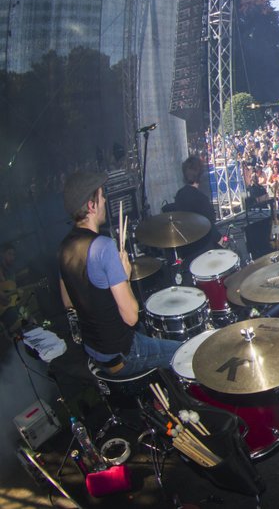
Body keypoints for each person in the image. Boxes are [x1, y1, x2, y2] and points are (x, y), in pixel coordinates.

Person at [59, 171, 181, 376]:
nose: (105, 200)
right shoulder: (103, 247)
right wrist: (126, 277)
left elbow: (67, 302)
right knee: (184, 351)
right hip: (123, 355)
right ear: (91, 205)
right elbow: (131, 317)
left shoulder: (63, 248)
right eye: (101, 195)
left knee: (145, 329)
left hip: (95, 352)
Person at [172, 155, 220, 259]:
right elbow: (210, 226)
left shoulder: (179, 194)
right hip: (203, 249)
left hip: (186, 249)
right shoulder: (201, 199)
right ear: (200, 175)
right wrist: (221, 240)